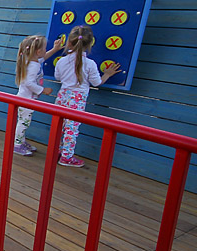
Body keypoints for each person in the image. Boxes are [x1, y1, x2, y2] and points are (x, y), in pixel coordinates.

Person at [54, 26, 122, 168]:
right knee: (72, 127)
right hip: (77, 98)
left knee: (60, 125)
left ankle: (57, 151)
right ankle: (66, 157)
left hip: (63, 95)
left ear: (69, 43)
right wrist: (107, 74)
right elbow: (96, 83)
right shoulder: (90, 64)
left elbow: (57, 77)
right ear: (89, 45)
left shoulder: (61, 61)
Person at [13, 35, 62, 156]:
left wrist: (55, 49)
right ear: (38, 51)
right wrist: (42, 90)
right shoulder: (33, 65)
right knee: (24, 122)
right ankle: (17, 145)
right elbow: (28, 82)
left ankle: (21, 141)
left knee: (24, 121)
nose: (46, 50)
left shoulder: (30, 60)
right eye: (45, 48)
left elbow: (43, 57)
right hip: (27, 99)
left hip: (25, 98)